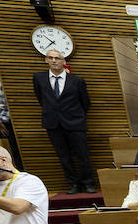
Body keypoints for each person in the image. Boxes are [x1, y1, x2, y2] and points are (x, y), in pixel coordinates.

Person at [32, 48, 94, 192]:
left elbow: (86, 103)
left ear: (64, 61)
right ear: (46, 60)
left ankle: (88, 183)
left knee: (82, 154)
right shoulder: (39, 78)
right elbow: (41, 99)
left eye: (57, 58)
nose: (54, 61)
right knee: (63, 156)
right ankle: (73, 183)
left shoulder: (77, 80)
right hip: (53, 124)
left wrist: (74, 115)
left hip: (75, 122)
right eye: (50, 58)